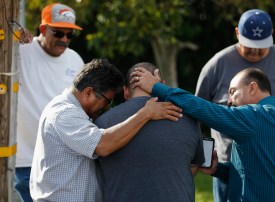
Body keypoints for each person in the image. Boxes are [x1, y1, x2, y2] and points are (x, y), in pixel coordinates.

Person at [130, 67, 275, 201]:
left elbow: (205, 109)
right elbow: (265, 172)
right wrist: (218, 170)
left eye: (232, 91)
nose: (229, 101)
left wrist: (157, 88)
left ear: (252, 88)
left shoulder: (256, 116)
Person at [30, 58, 182, 201]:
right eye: (107, 101)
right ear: (88, 92)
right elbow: (102, 145)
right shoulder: (64, 114)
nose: (107, 108)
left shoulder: (73, 110)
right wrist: (146, 113)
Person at [194, 8, 275, 202]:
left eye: (260, 45)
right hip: (229, 165)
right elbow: (200, 111)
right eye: (249, 44)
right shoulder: (216, 64)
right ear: (237, 33)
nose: (254, 50)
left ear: (272, 35)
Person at [94, 62, 204, 202]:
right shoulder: (188, 119)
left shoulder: (103, 123)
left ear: (126, 91)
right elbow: (194, 165)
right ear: (162, 86)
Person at [15, 3, 84, 201]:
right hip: (25, 160)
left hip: (62, 161)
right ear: (43, 29)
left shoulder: (75, 60)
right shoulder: (19, 50)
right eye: (58, 33)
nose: (64, 39)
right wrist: (12, 38)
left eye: (69, 35)